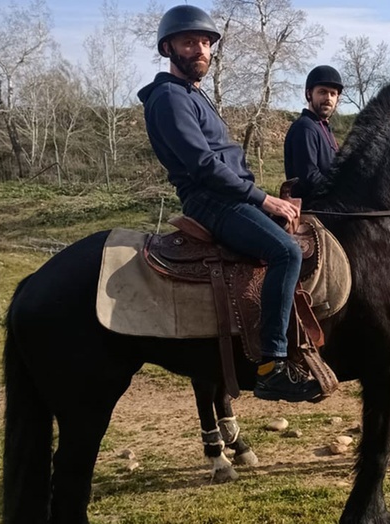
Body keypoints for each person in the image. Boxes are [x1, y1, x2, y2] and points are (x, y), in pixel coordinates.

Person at [137, 5, 321, 403]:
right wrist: (263, 198)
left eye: (206, 42)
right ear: (168, 48)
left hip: (230, 196)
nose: (201, 50)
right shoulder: (168, 97)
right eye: (190, 42)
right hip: (212, 202)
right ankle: (272, 366)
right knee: (286, 252)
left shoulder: (192, 95)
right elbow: (203, 166)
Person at [283, 65, 344, 198]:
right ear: (309, 94)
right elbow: (309, 177)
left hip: (327, 204)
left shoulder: (324, 128)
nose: (328, 98)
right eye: (322, 92)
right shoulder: (305, 128)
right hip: (311, 207)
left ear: (337, 100)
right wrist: (342, 194)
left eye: (333, 94)